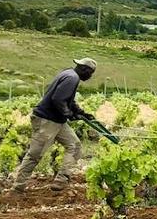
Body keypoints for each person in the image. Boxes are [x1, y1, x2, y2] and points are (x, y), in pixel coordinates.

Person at [11, 57, 98, 191]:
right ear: (85, 69)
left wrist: (81, 113)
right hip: (47, 120)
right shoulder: (72, 78)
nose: (90, 76)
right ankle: (18, 187)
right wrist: (68, 114)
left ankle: (61, 180)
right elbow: (58, 99)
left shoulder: (68, 74)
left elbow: (68, 100)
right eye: (90, 73)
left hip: (58, 121)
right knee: (35, 155)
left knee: (75, 146)